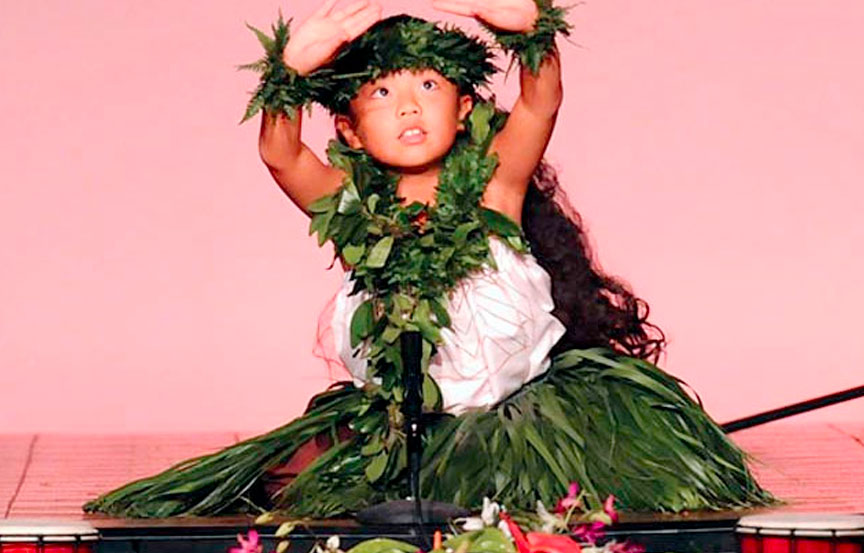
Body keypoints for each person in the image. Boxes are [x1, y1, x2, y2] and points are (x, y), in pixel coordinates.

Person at [84, 0, 773, 519]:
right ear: (349, 128)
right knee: (283, 488)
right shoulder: (351, 206)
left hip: (523, 422)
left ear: (467, 104)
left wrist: (530, 28)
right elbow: (281, 153)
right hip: (406, 426)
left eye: (429, 88)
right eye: (382, 93)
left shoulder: (497, 183)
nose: (409, 108)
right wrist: (287, 75)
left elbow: (540, 98)